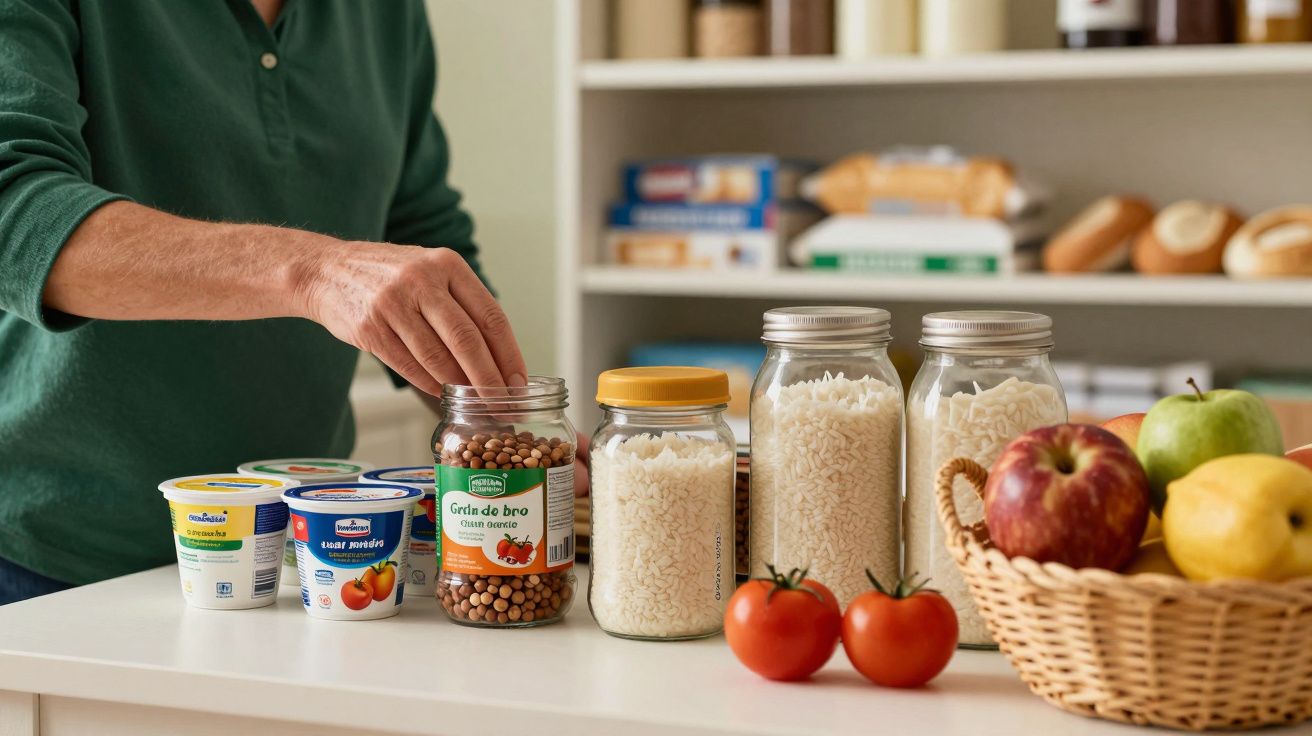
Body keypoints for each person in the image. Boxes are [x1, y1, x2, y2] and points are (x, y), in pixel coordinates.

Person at [0, 0, 580, 605]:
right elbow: (12, 207)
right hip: (51, 557)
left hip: (306, 558)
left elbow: (417, 227)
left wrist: (509, 427)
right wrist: (312, 273)